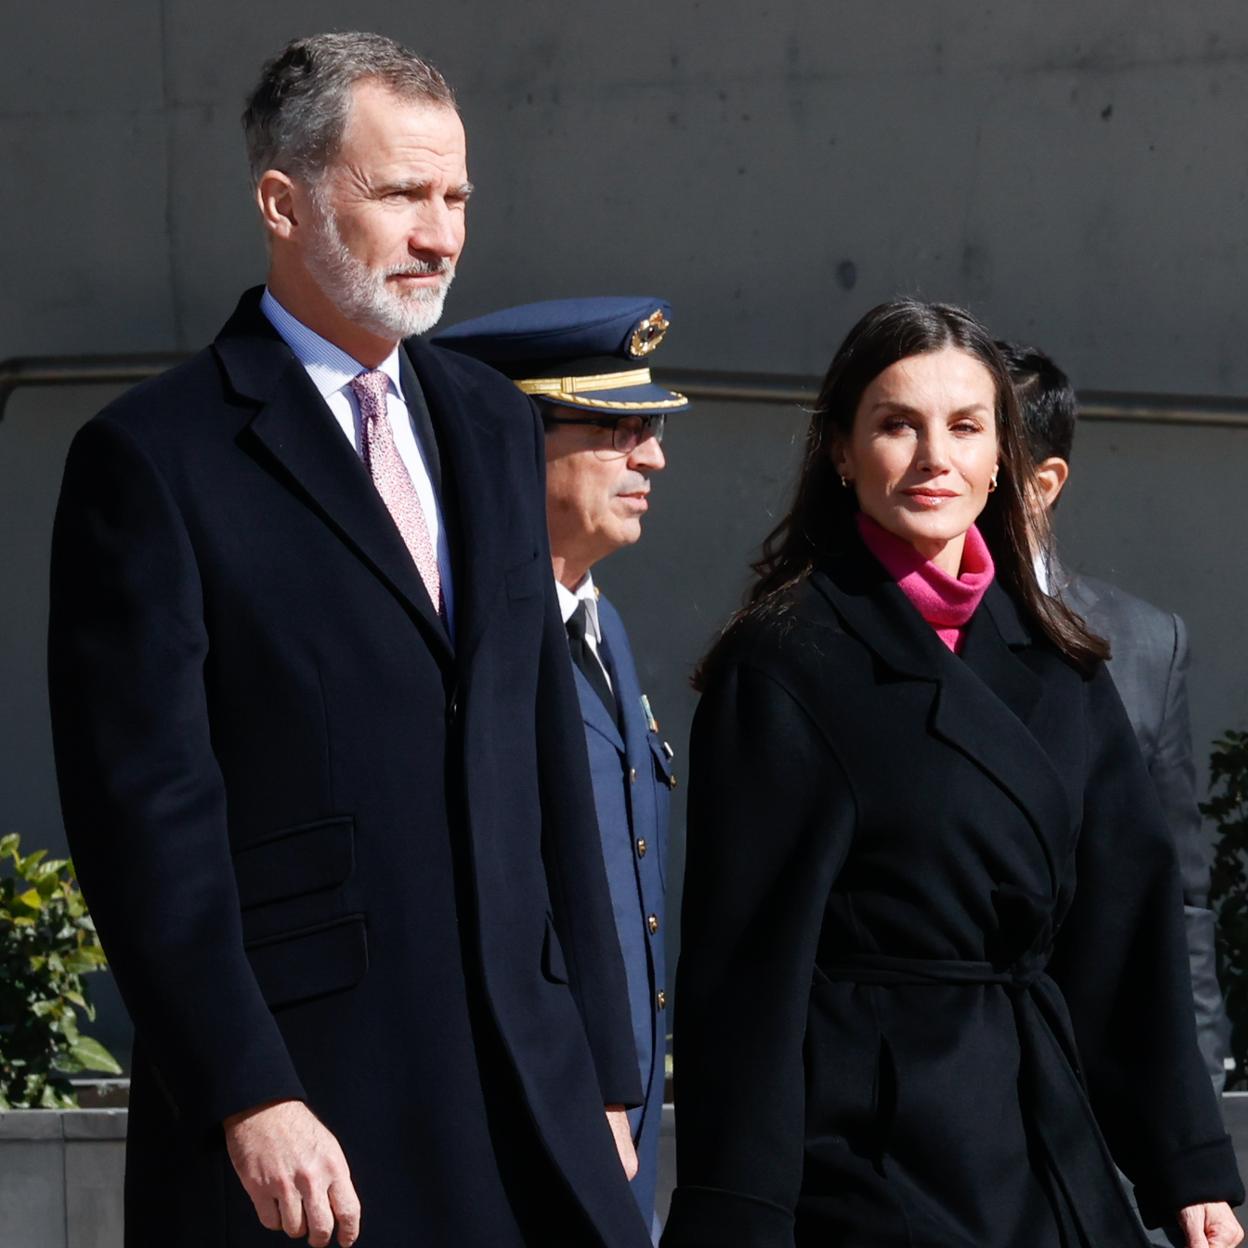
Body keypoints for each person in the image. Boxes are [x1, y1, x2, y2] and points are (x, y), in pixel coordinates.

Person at [47, 32, 651, 1248]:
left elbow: (543, 750)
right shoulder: (155, 458)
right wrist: (246, 1089)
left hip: (527, 1089)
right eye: (403, 195)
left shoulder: (490, 422)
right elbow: (145, 814)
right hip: (314, 1105)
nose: (441, 235)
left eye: (458, 198)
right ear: (284, 203)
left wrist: (605, 1065)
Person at [661, 299, 1244, 1248]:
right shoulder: (785, 660)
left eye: (967, 427)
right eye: (898, 424)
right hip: (866, 1146)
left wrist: (1185, 1166)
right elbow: (747, 973)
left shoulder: (1058, 657)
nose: (936, 457)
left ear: (1003, 456)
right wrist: (739, 1213)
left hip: (1043, 1132)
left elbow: (1127, 929)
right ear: (842, 451)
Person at [434, 296, 685, 1240]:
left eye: (651, 431)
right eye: (619, 431)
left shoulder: (600, 622)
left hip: (624, 1120)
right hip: (526, 1121)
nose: (651, 458)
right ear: (512, 443)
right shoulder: (461, 639)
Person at [1001, 340, 1232, 1089]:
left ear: (1043, 483)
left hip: (1098, 1075)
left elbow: (1179, 894)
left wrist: (1197, 1085)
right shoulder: (869, 628)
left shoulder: (1143, 643)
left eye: (974, 436)